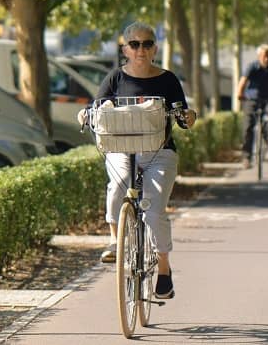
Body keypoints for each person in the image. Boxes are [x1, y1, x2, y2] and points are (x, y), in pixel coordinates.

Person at [78, 21, 196, 299]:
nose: (140, 49)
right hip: (121, 150)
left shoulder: (168, 80)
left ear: (154, 48)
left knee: (154, 210)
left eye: (146, 44)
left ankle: (164, 269)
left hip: (159, 152)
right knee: (117, 188)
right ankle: (114, 241)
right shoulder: (114, 79)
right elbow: (95, 108)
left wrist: (189, 117)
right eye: (134, 44)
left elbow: (182, 114)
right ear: (125, 49)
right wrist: (84, 115)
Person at [237, 44, 268, 168]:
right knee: (248, 127)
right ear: (259, 56)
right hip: (252, 99)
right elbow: (243, 81)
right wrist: (240, 94)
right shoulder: (252, 67)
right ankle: (246, 157)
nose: (266, 59)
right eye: (264, 56)